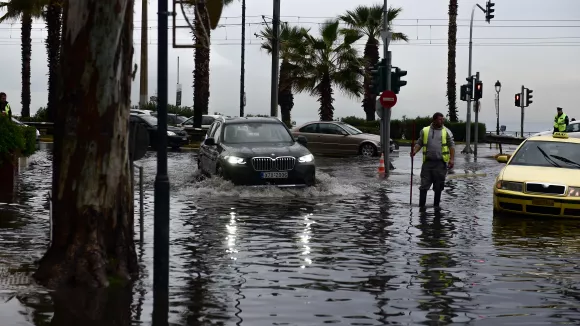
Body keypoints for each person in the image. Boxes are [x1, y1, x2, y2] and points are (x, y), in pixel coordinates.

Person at [410, 112, 455, 209]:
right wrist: (414, 151)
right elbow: (419, 143)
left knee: (438, 187)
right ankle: (421, 207)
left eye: (443, 119)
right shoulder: (425, 130)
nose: (442, 121)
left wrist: (451, 159)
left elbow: (451, 146)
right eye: (440, 119)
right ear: (434, 120)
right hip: (427, 163)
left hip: (440, 163)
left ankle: (436, 207)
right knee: (424, 185)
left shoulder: (446, 131)